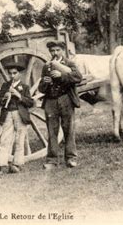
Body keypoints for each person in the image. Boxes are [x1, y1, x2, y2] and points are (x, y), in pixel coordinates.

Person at [39, 41, 82, 169]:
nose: (55, 53)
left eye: (57, 50)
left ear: (62, 50)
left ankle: (71, 158)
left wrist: (61, 75)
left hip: (66, 99)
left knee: (68, 129)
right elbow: (41, 89)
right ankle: (52, 161)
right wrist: (45, 82)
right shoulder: (46, 66)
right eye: (52, 51)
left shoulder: (69, 63)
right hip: (50, 101)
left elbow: (78, 78)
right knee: (52, 131)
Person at [0, 62, 34, 177]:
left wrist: (19, 95)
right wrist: (4, 97)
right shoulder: (5, 86)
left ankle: (17, 164)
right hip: (8, 113)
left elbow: (30, 102)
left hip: (20, 114)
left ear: (19, 74)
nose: (12, 76)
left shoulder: (25, 87)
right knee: (5, 140)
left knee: (19, 139)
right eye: (10, 74)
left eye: (15, 73)